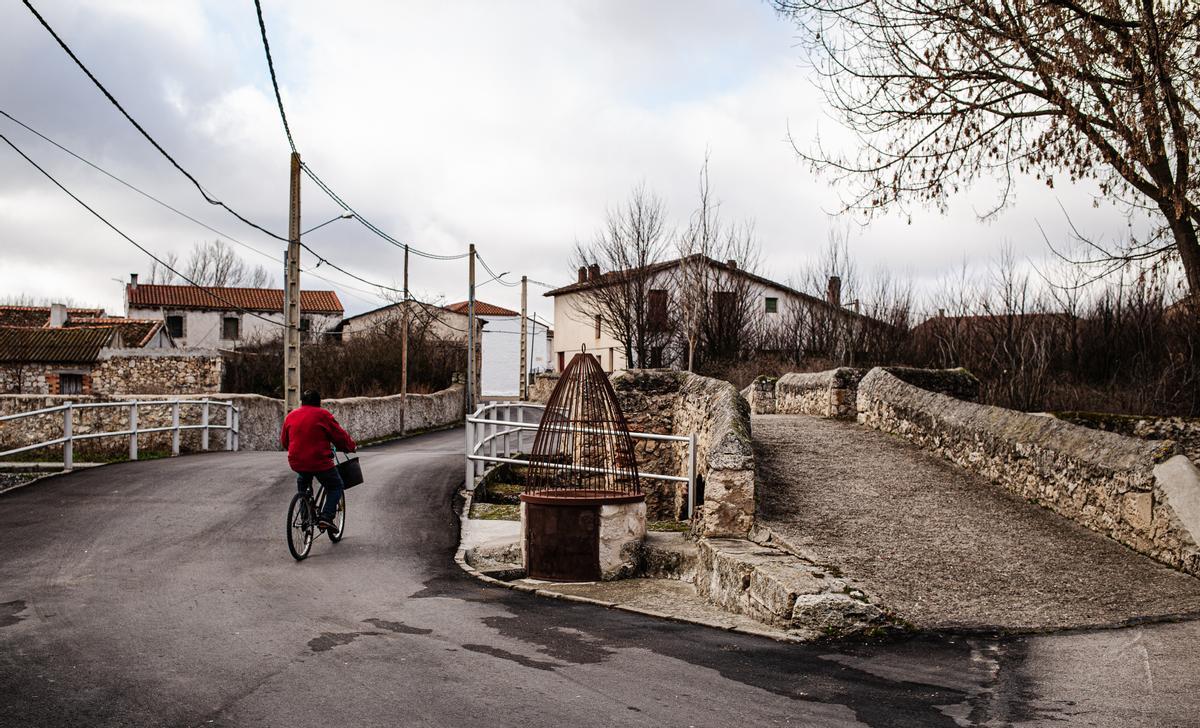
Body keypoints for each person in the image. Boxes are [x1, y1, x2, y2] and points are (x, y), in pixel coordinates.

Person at [281, 389, 357, 534]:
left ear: (302, 402)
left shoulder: (290, 416)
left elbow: (285, 442)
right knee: (336, 485)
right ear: (319, 403)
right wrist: (350, 447)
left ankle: (305, 518)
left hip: (297, 462)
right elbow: (339, 436)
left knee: (303, 483)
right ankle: (326, 517)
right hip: (319, 462)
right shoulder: (323, 415)